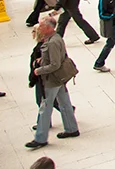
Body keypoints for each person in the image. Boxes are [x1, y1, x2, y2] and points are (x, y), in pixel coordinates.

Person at [25, 18, 81, 149]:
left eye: (42, 25)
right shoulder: (55, 38)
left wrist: (39, 70)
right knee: (64, 102)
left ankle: (40, 138)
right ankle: (71, 128)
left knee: (45, 107)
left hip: (52, 79)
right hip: (59, 78)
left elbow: (55, 64)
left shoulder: (52, 43)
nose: (39, 27)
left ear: (49, 28)